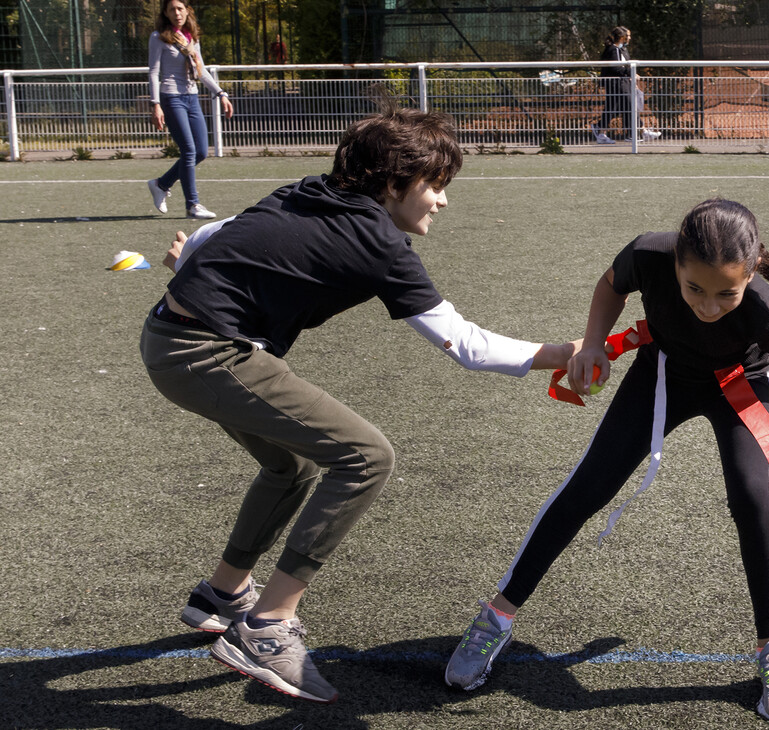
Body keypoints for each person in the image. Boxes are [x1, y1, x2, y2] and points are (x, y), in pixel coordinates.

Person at [141, 104, 578, 705]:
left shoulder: (308, 190)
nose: (442, 202)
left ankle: (220, 593)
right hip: (205, 353)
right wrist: (565, 352)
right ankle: (267, 626)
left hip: (171, 336)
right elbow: (467, 346)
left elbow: (219, 234)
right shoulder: (380, 242)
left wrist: (185, 262)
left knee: (289, 466)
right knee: (366, 456)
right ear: (395, 184)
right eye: (436, 186)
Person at [444, 199, 769, 721]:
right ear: (675, 263)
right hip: (664, 371)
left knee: (752, 497)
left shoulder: (767, 308)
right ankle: (496, 616)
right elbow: (610, 285)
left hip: (738, 385)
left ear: (751, 275)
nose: (708, 305)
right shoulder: (649, 253)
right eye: (694, 288)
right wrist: (591, 344)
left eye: (727, 293)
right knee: (590, 484)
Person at [146, 0, 234, 220]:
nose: (177, 13)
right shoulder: (158, 37)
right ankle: (192, 204)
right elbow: (153, 73)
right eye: (172, 10)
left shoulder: (191, 38)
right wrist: (155, 104)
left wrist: (220, 93)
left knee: (201, 151)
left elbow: (202, 71)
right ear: (166, 13)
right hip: (171, 97)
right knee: (188, 150)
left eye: (180, 9)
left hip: (192, 97)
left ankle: (161, 184)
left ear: (187, 11)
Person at [591, 26, 661, 144]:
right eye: (628, 35)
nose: (630, 38)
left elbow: (625, 67)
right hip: (616, 83)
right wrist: (630, 73)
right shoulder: (613, 49)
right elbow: (616, 68)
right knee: (624, 105)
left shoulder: (622, 49)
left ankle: (634, 132)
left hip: (624, 82)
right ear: (622, 37)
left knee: (623, 107)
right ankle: (636, 132)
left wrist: (631, 78)